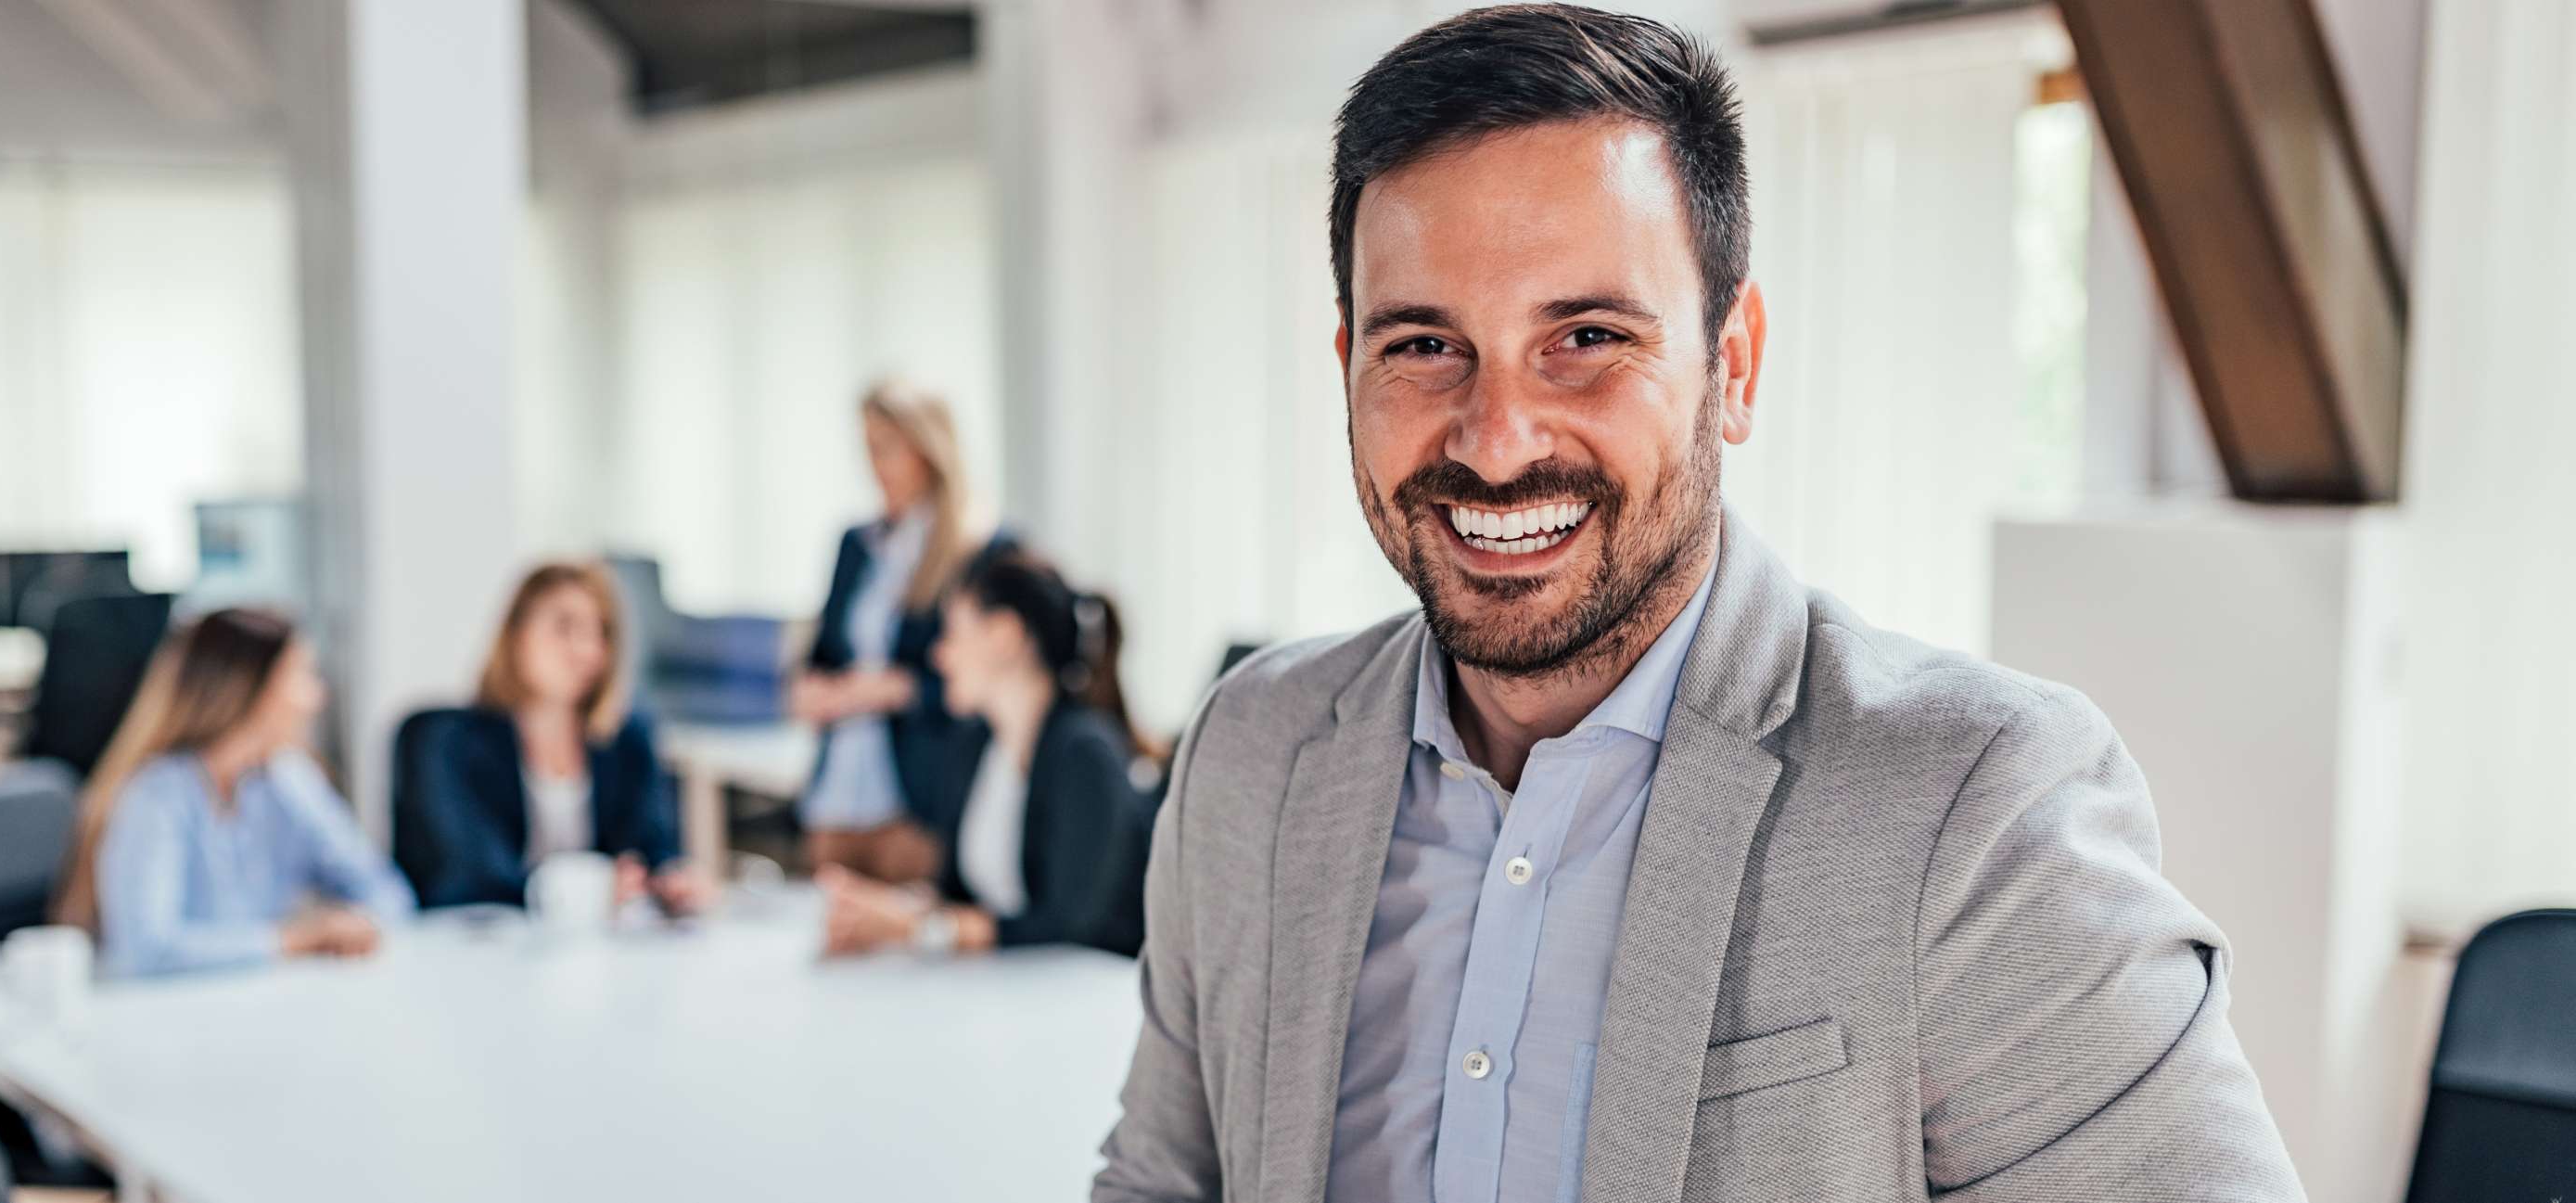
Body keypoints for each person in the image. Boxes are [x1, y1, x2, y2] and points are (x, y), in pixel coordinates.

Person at [1091, 7, 2302, 1203]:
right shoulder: (1252, 755)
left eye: (1587, 335)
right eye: (1423, 346)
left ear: (1733, 365)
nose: (1499, 439)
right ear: (1348, 365)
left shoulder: (1976, 811)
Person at [819, 551, 1154, 958]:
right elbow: (957, 894)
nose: (939, 656)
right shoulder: (976, 745)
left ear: (1005, 635)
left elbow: (1072, 926)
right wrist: (887, 912)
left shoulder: (1085, 753)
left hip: (1087, 993)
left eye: (952, 634)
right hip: (1004, 991)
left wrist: (923, 928)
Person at [52, 608, 413, 979]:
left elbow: (385, 890)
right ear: (250, 689)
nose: (316, 697)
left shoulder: (289, 779)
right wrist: (294, 940)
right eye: (302, 676)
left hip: (258, 997)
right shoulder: (155, 795)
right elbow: (147, 950)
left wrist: (356, 924)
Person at [390, 561, 706, 914]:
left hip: (594, 952)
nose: (586, 650)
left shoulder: (626, 740)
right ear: (515, 633)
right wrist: (590, 889)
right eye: (564, 627)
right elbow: (467, 873)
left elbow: (653, 848)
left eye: (600, 632)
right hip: (473, 945)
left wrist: (671, 881)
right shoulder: (441, 741)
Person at [787, 381, 994, 882]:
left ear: (926, 452)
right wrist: (809, 689)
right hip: (837, 798)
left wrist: (892, 690)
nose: (873, 465)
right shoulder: (856, 546)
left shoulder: (974, 552)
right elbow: (825, 653)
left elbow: (981, 684)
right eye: (867, 449)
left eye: (886, 449)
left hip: (914, 803)